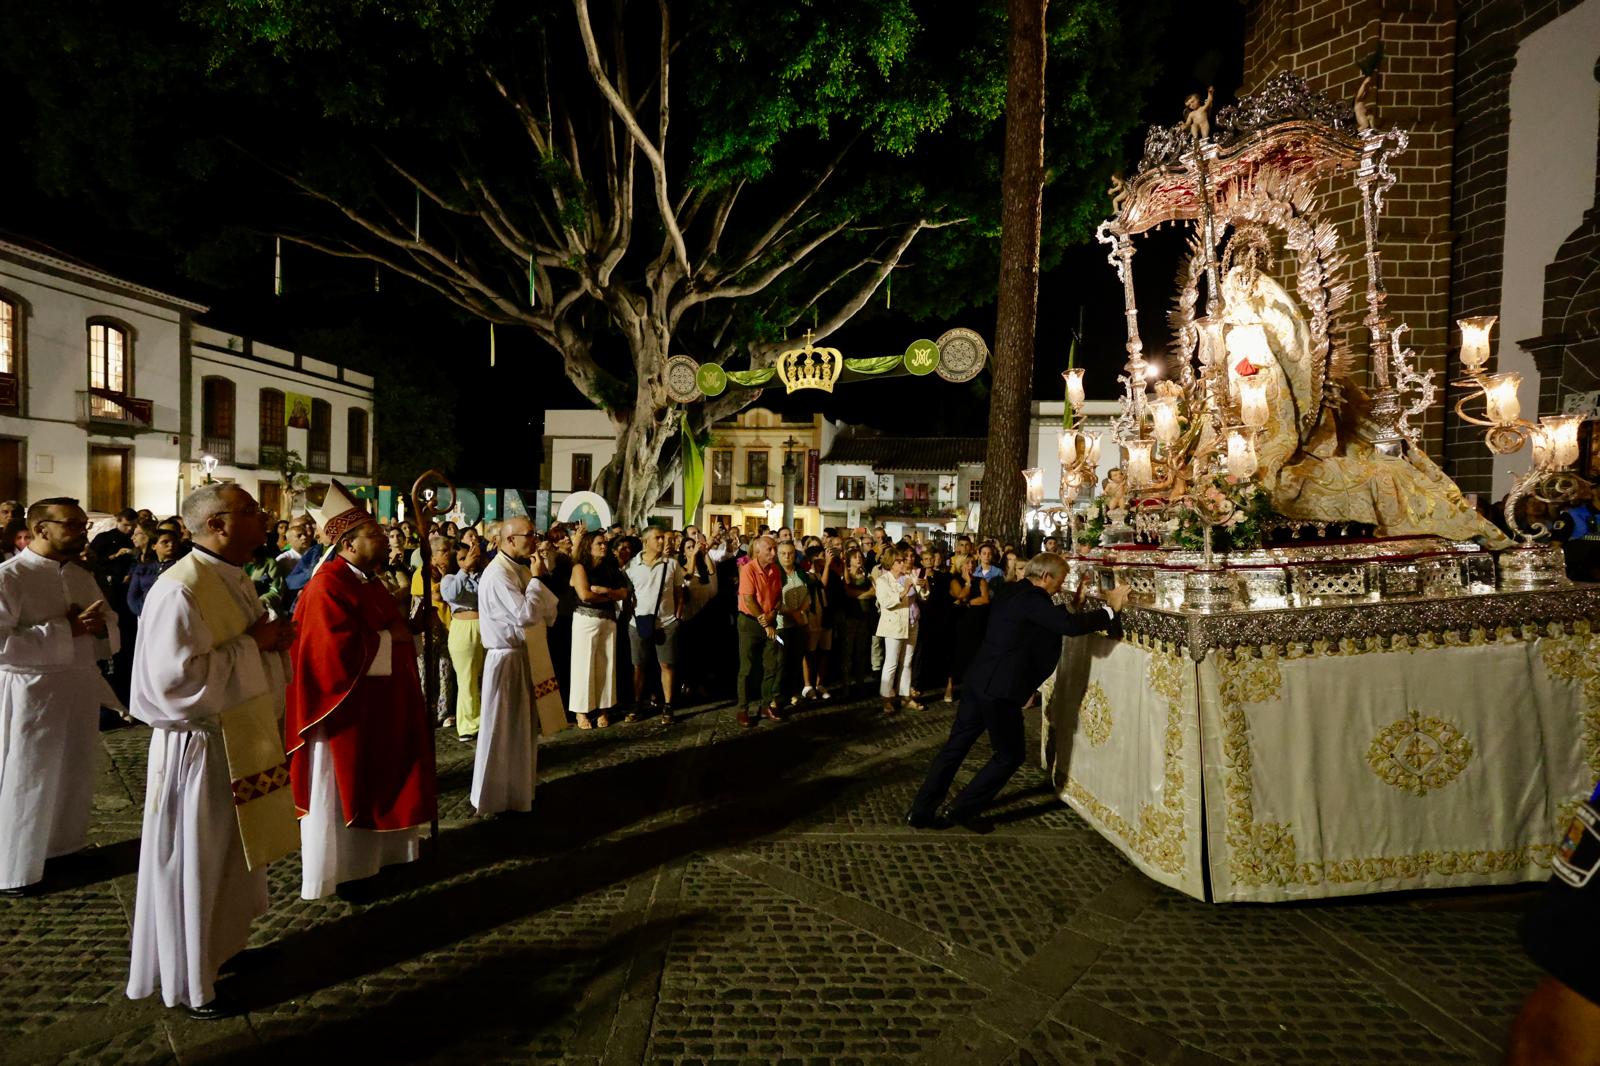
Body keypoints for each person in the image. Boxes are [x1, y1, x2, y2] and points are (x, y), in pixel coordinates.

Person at [127, 484, 298, 1019]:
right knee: (198, 860)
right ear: (218, 524)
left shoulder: (234, 576)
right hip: (200, 748)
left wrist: (266, 645)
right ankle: (192, 979)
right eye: (252, 511)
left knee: (232, 858)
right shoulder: (180, 589)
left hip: (241, 736)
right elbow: (173, 685)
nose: (265, 518)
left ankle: (223, 949)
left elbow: (247, 646)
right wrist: (257, 646)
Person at [285, 486, 436, 901]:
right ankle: (344, 872)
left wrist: (409, 627)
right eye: (374, 533)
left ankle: (380, 861)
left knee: (385, 782)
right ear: (347, 544)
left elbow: (388, 629)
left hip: (381, 707)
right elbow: (332, 651)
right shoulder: (326, 586)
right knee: (342, 793)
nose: (385, 537)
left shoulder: (369, 582)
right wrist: (394, 636)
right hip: (343, 713)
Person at [907, 553, 1127, 833]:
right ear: (1046, 577)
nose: (1060, 586)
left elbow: (1037, 624)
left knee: (955, 748)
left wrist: (1073, 605)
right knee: (1009, 754)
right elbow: (1068, 628)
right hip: (1000, 688)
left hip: (979, 680)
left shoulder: (1013, 592)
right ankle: (963, 808)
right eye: (1059, 581)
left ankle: (921, 809)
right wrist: (1111, 610)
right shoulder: (1032, 600)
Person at [0, 498, 118, 897]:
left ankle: (63, 848)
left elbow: (107, 626)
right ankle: (14, 866)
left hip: (77, 683)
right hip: (33, 691)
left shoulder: (81, 575)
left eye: (84, 525)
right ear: (41, 529)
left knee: (74, 770)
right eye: (72, 524)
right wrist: (64, 630)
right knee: (29, 776)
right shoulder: (9, 577)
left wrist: (99, 628)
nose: (82, 532)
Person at [472, 516, 565, 816]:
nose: (535, 540)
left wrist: (538, 580)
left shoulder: (518, 568)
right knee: (500, 728)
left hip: (523, 656)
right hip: (505, 660)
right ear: (510, 539)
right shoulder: (498, 574)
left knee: (521, 729)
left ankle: (517, 792)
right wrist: (537, 580)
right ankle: (492, 797)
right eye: (530, 535)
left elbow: (550, 610)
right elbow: (526, 614)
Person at [624, 528, 683, 724]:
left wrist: (677, 615)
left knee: (666, 664)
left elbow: (678, 592)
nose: (661, 541)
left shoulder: (672, 564)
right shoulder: (631, 565)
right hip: (638, 622)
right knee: (638, 665)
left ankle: (668, 705)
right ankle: (637, 703)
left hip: (666, 622)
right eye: (657, 538)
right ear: (645, 541)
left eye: (662, 537)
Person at [570, 530, 627, 728]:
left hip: (608, 620)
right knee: (583, 665)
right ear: (588, 546)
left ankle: (604, 709)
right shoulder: (580, 567)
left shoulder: (610, 567)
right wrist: (608, 597)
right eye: (599, 543)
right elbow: (585, 594)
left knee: (607, 664)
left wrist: (606, 592)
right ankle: (581, 712)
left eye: (604, 543)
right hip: (586, 620)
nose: (604, 546)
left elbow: (623, 592)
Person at [440, 537, 489, 742]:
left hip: (486, 627)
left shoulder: (483, 576)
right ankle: (469, 724)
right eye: (461, 558)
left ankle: (488, 719)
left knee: (488, 676)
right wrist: (464, 571)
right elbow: (452, 594)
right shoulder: (449, 579)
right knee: (467, 678)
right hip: (463, 628)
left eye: (468, 556)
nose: (466, 560)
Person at [735, 535, 784, 727]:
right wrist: (765, 621)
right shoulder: (748, 569)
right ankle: (743, 709)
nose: (774, 553)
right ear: (758, 551)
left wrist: (773, 612)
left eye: (774, 549)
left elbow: (779, 595)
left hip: (769, 620)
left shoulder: (775, 570)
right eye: (769, 550)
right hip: (750, 622)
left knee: (771, 664)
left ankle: (766, 704)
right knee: (746, 667)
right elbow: (748, 599)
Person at [410, 533, 456, 728]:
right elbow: (436, 595)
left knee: (445, 672)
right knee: (426, 673)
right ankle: (424, 711)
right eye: (443, 551)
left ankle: (443, 712)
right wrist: (446, 581)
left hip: (448, 628)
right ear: (432, 555)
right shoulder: (422, 572)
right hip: (429, 630)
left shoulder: (452, 571)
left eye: (448, 550)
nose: (448, 555)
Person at [874, 546, 925, 715]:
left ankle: (905, 695)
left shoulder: (908, 576)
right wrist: (904, 590)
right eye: (899, 561)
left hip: (911, 623)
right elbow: (886, 602)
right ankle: (887, 698)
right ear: (891, 563)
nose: (903, 563)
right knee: (892, 662)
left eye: (903, 560)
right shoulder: (883, 581)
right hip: (894, 625)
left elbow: (922, 596)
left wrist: (923, 587)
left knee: (907, 661)